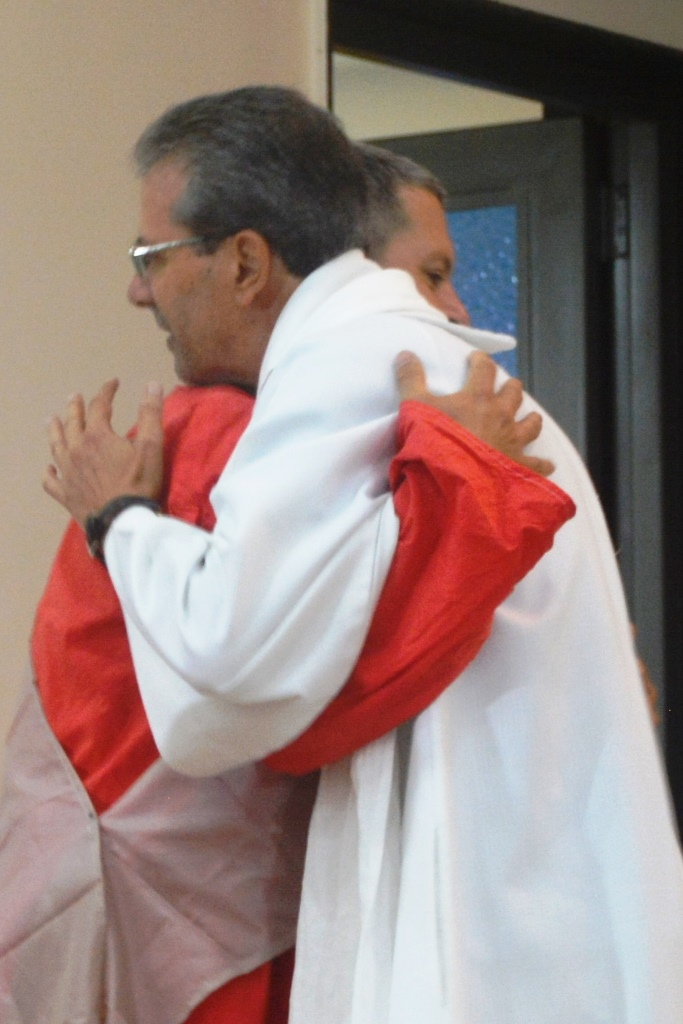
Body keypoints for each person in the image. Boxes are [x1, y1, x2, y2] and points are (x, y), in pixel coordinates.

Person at [35, 88, 683, 1022]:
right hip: (542, 901)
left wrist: (119, 519)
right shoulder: (430, 370)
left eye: (153, 258)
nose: (140, 291)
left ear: (245, 262)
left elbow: (226, 673)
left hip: (468, 910)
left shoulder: (346, 369)